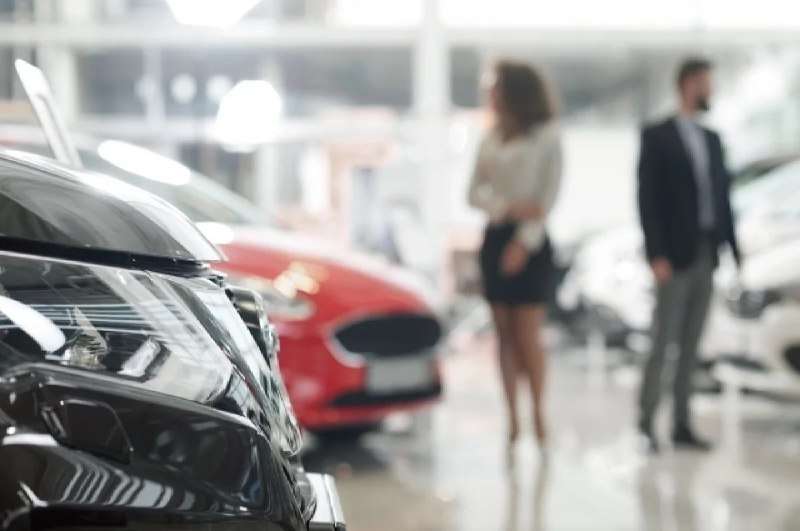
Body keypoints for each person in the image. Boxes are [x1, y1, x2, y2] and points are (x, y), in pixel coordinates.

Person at [637, 57, 740, 453]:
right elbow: (648, 200)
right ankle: (647, 422)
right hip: (673, 256)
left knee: (692, 344)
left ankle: (682, 424)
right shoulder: (657, 136)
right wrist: (656, 254)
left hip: (706, 252)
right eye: (705, 83)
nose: (710, 90)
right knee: (663, 341)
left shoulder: (712, 139)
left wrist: (733, 251)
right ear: (688, 84)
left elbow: (722, 198)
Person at [468, 60, 562, 457]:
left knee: (527, 335)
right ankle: (512, 418)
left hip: (532, 243)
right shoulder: (490, 137)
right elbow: (473, 193)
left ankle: (538, 411)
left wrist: (523, 243)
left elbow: (545, 201)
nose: (489, 94)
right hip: (495, 236)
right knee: (503, 335)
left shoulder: (547, 137)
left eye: (495, 86)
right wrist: (506, 208)